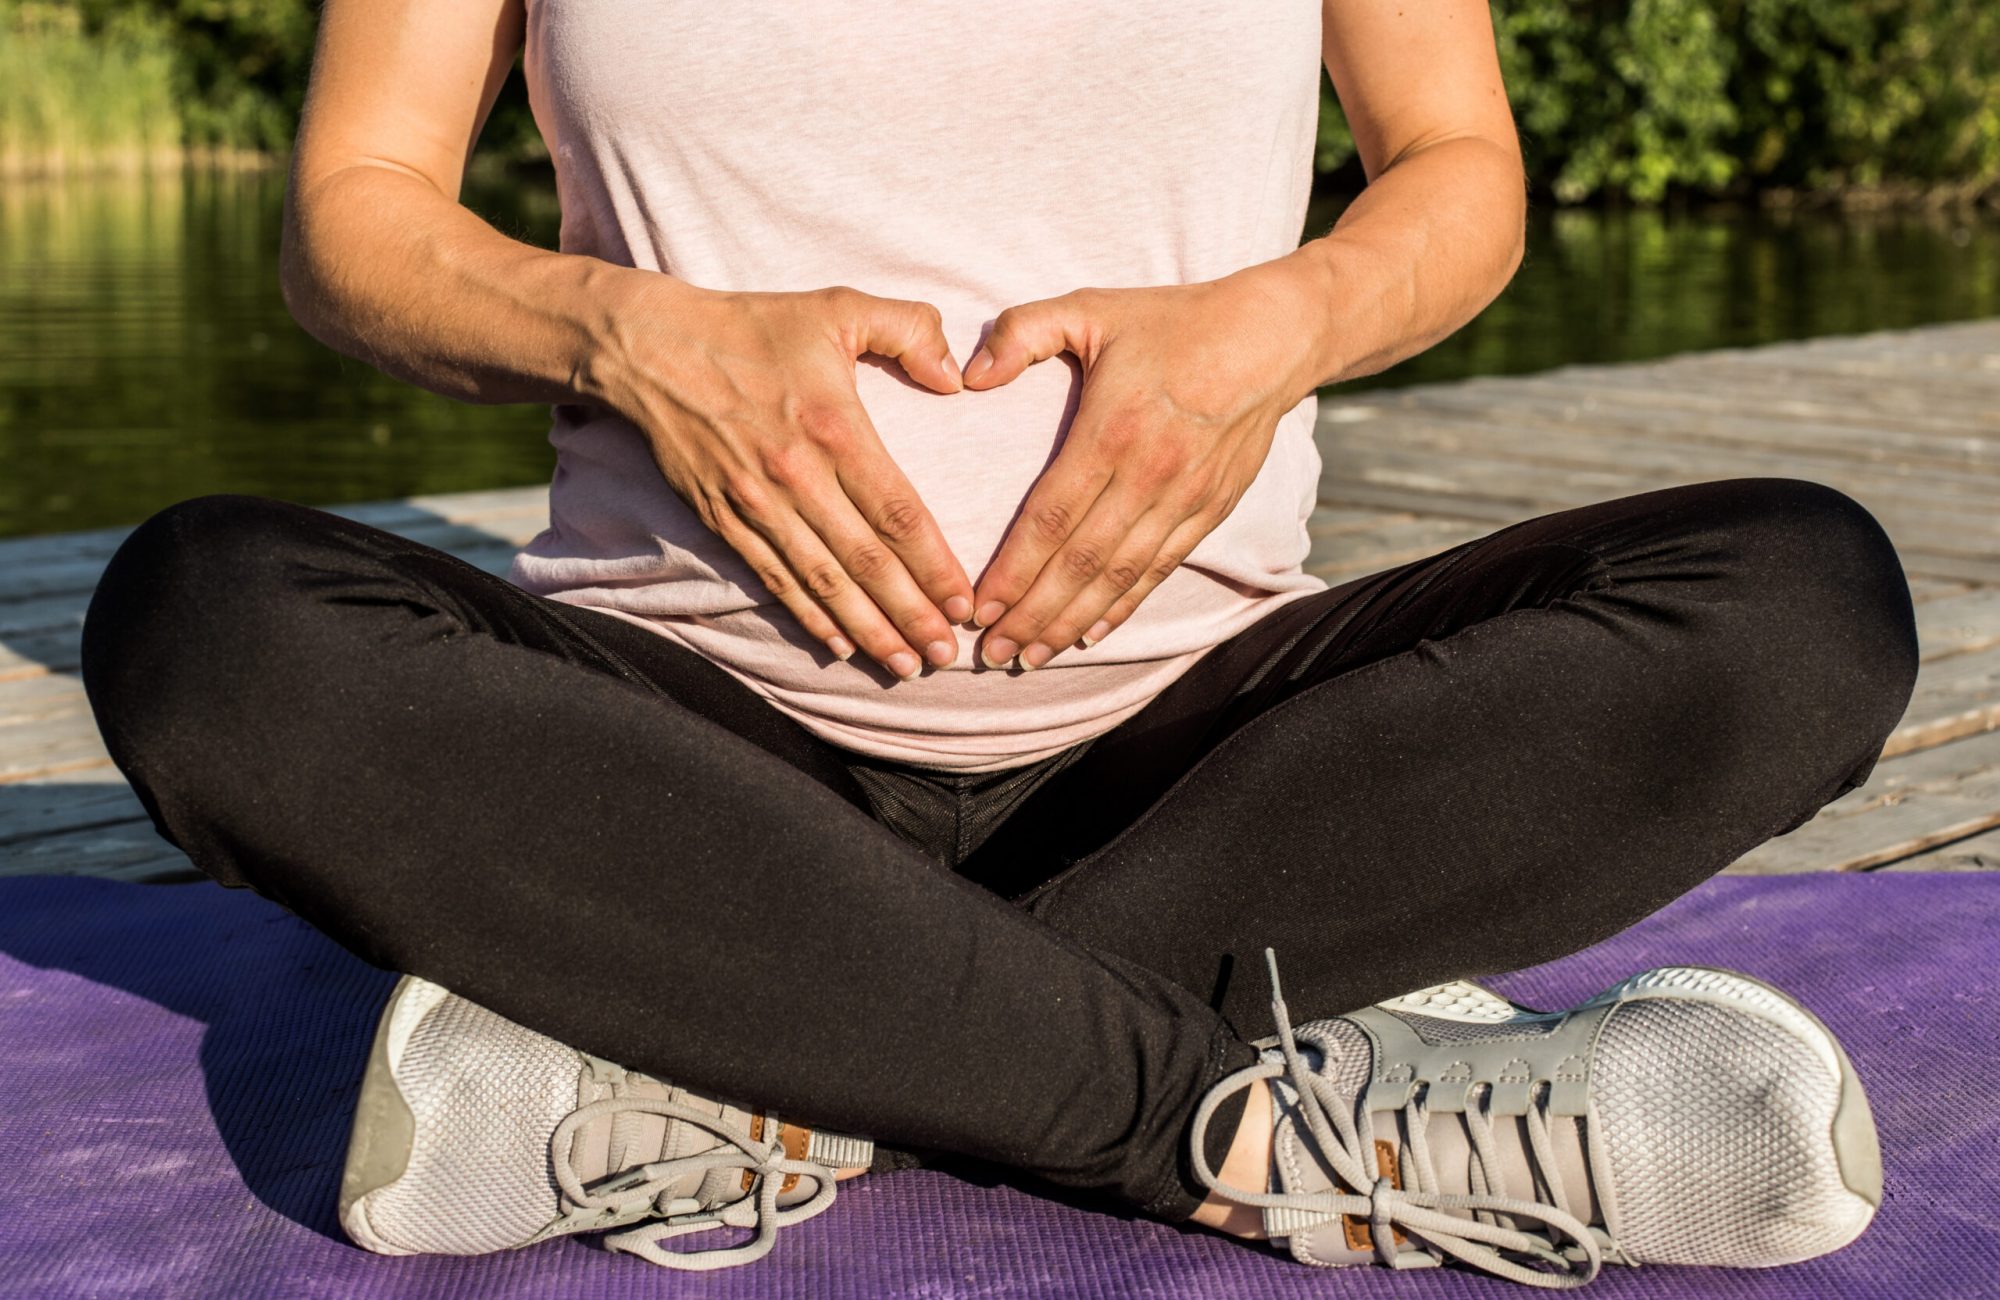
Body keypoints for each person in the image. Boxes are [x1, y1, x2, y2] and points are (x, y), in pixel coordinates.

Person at [78, 0, 1916, 1287]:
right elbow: (353, 214)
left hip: (1198, 759)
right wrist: (631, 336)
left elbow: (1456, 162)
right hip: (682, 757)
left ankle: (744, 1045)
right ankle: (1245, 1130)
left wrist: (1278, 324)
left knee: (1797, 603)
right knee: (210, 627)